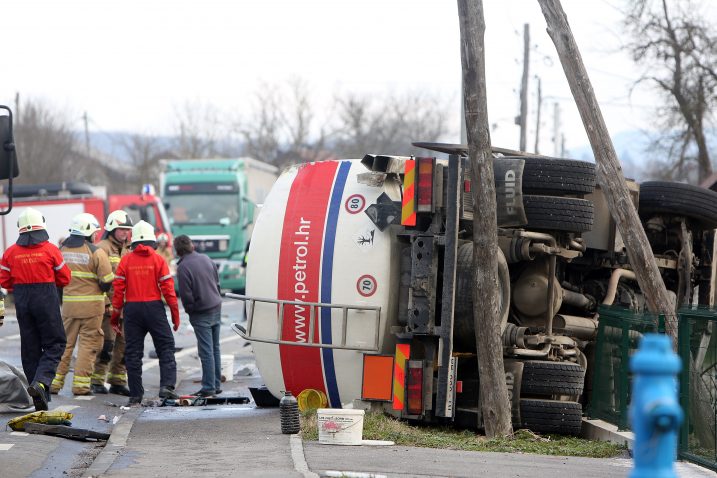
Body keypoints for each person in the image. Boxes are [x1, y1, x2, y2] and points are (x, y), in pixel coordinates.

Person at [0, 207, 71, 410]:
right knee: (55, 344)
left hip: (22, 301)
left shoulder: (10, 253)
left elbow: (4, 281)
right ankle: (41, 384)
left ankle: (39, 396)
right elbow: (65, 278)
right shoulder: (51, 250)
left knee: (30, 349)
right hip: (46, 298)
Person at [111, 220, 180, 405]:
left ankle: (135, 395)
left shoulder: (126, 260)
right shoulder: (159, 260)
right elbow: (169, 290)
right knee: (165, 347)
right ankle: (166, 387)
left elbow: (118, 291)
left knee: (133, 353)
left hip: (132, 310)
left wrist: (115, 317)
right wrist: (175, 315)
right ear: (152, 240)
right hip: (154, 308)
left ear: (133, 242)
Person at [51, 213, 113, 395]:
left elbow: (56, 278)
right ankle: (80, 386)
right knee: (88, 345)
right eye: (94, 232)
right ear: (87, 232)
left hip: (69, 308)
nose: (96, 236)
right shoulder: (96, 252)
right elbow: (107, 280)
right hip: (92, 309)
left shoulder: (61, 250)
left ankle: (54, 383)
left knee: (66, 345)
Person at [174, 235, 223, 397]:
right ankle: (216, 384)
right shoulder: (206, 258)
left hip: (201, 312)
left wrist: (190, 310)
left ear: (177, 251)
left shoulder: (183, 267)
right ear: (192, 246)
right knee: (215, 348)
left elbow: (186, 295)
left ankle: (209, 387)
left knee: (206, 351)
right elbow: (217, 281)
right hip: (216, 306)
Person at [91, 210, 133, 396]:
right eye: (121, 229)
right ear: (111, 229)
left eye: (127, 230)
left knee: (124, 346)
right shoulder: (102, 248)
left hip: (127, 306)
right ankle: (97, 380)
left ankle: (117, 380)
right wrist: (107, 302)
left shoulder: (129, 248)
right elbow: (96, 280)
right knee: (107, 345)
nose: (125, 233)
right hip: (109, 307)